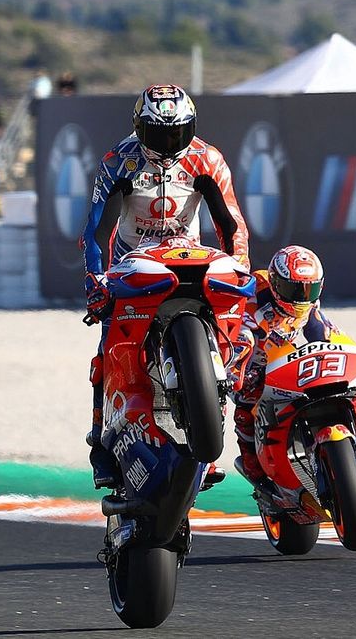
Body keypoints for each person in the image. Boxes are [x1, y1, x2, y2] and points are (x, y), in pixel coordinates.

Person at [80, 83, 250, 489]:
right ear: (140, 128)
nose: (170, 143)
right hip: (134, 266)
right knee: (108, 349)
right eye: (159, 134)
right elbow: (97, 230)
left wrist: (240, 268)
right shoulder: (119, 162)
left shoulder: (207, 159)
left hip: (189, 257)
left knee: (237, 339)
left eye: (179, 133)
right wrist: (95, 281)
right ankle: (101, 443)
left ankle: (216, 426)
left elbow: (231, 223)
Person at [228, 245, 336, 485]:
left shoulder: (309, 304)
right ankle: (254, 469)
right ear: (276, 284)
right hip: (250, 364)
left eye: (309, 289)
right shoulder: (253, 300)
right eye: (294, 290)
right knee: (246, 407)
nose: (301, 298)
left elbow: (320, 330)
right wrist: (238, 374)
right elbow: (237, 342)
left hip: (285, 358)